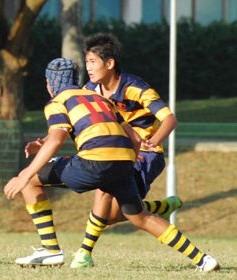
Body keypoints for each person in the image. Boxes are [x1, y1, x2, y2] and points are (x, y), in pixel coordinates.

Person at [3, 57, 219, 272]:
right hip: (125, 161)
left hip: (94, 160)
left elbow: (57, 139)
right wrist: (127, 166)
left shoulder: (57, 102)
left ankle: (51, 251)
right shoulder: (98, 98)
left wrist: (24, 174)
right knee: (141, 218)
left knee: (31, 179)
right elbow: (134, 137)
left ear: (50, 84)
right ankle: (203, 259)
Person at [70, 32, 182, 268]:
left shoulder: (135, 87)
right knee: (110, 216)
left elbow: (170, 119)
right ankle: (158, 208)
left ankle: (83, 253)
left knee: (104, 191)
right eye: (86, 62)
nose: (88, 68)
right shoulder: (90, 89)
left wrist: (153, 140)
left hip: (146, 156)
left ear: (109, 63)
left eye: (92, 62)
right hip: (118, 153)